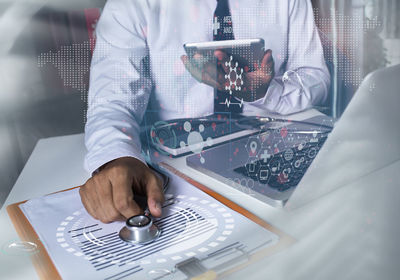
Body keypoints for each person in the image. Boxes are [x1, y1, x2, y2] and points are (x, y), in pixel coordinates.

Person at [80, 0, 330, 223]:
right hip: (175, 169)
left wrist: (264, 92)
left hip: (270, 147)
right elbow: (113, 99)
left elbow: (315, 77)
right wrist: (117, 157)